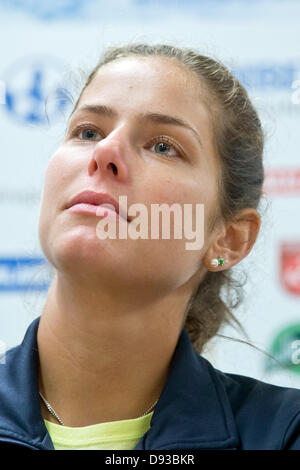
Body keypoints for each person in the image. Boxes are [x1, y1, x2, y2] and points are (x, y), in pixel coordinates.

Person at [0, 42, 300, 451]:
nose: (104, 152)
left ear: (228, 238)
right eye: (88, 132)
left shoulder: (283, 433)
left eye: (163, 146)